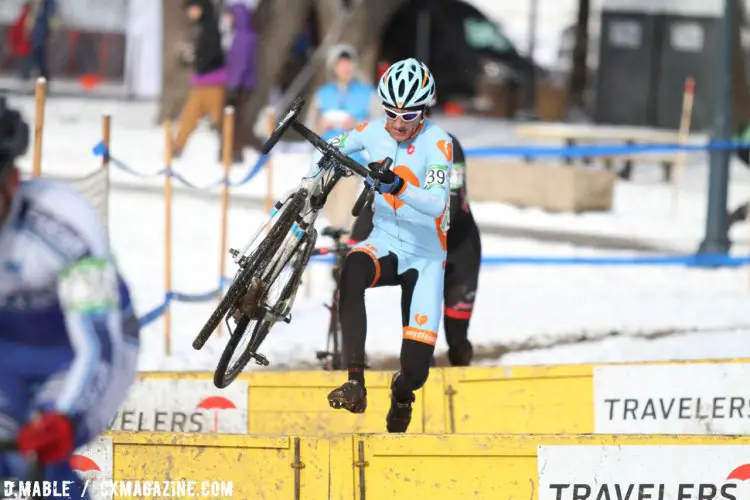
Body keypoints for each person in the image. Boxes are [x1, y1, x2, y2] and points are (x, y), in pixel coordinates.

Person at [0, 97, 140, 498]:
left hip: (81, 345)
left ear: (11, 182)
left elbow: (98, 347)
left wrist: (64, 420)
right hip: (8, 346)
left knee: (44, 461)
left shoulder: (65, 224)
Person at [309, 58, 453, 433]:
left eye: (409, 115)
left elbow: (437, 201)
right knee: (352, 270)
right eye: (391, 113)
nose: (398, 124)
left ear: (426, 110)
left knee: (417, 371)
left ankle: (401, 392)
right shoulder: (373, 132)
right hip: (385, 241)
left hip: (424, 258)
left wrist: (399, 186)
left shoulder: (439, 143)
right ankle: (355, 381)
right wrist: (312, 177)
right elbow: (331, 147)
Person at [349, 100, 480, 367]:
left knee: (457, 344)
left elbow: (449, 206)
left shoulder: (446, 146)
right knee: (419, 351)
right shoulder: (390, 148)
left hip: (458, 249)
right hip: (420, 252)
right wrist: (353, 244)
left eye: (409, 118)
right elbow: (375, 202)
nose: (401, 126)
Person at [306, 44, 381, 230]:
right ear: (334, 66)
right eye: (341, 63)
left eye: (349, 63)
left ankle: (343, 248)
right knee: (329, 208)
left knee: (345, 211)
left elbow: (380, 126)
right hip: (326, 160)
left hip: (352, 161)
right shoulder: (323, 94)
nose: (346, 67)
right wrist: (320, 125)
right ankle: (338, 246)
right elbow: (310, 126)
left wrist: (357, 124)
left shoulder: (367, 93)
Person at [174, 0, 226, 160]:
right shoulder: (199, 27)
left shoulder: (210, 28)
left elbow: (212, 55)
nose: (190, 13)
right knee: (189, 116)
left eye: (192, 9)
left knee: (220, 121)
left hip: (213, 83)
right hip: (201, 82)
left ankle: (229, 150)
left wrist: (194, 56)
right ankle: (177, 148)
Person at [222, 3, 259, 163]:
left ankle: (237, 151)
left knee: (236, 120)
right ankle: (236, 149)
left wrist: (233, 85)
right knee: (238, 119)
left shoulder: (242, 37)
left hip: (241, 84)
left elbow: (241, 63)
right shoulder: (243, 35)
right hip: (242, 83)